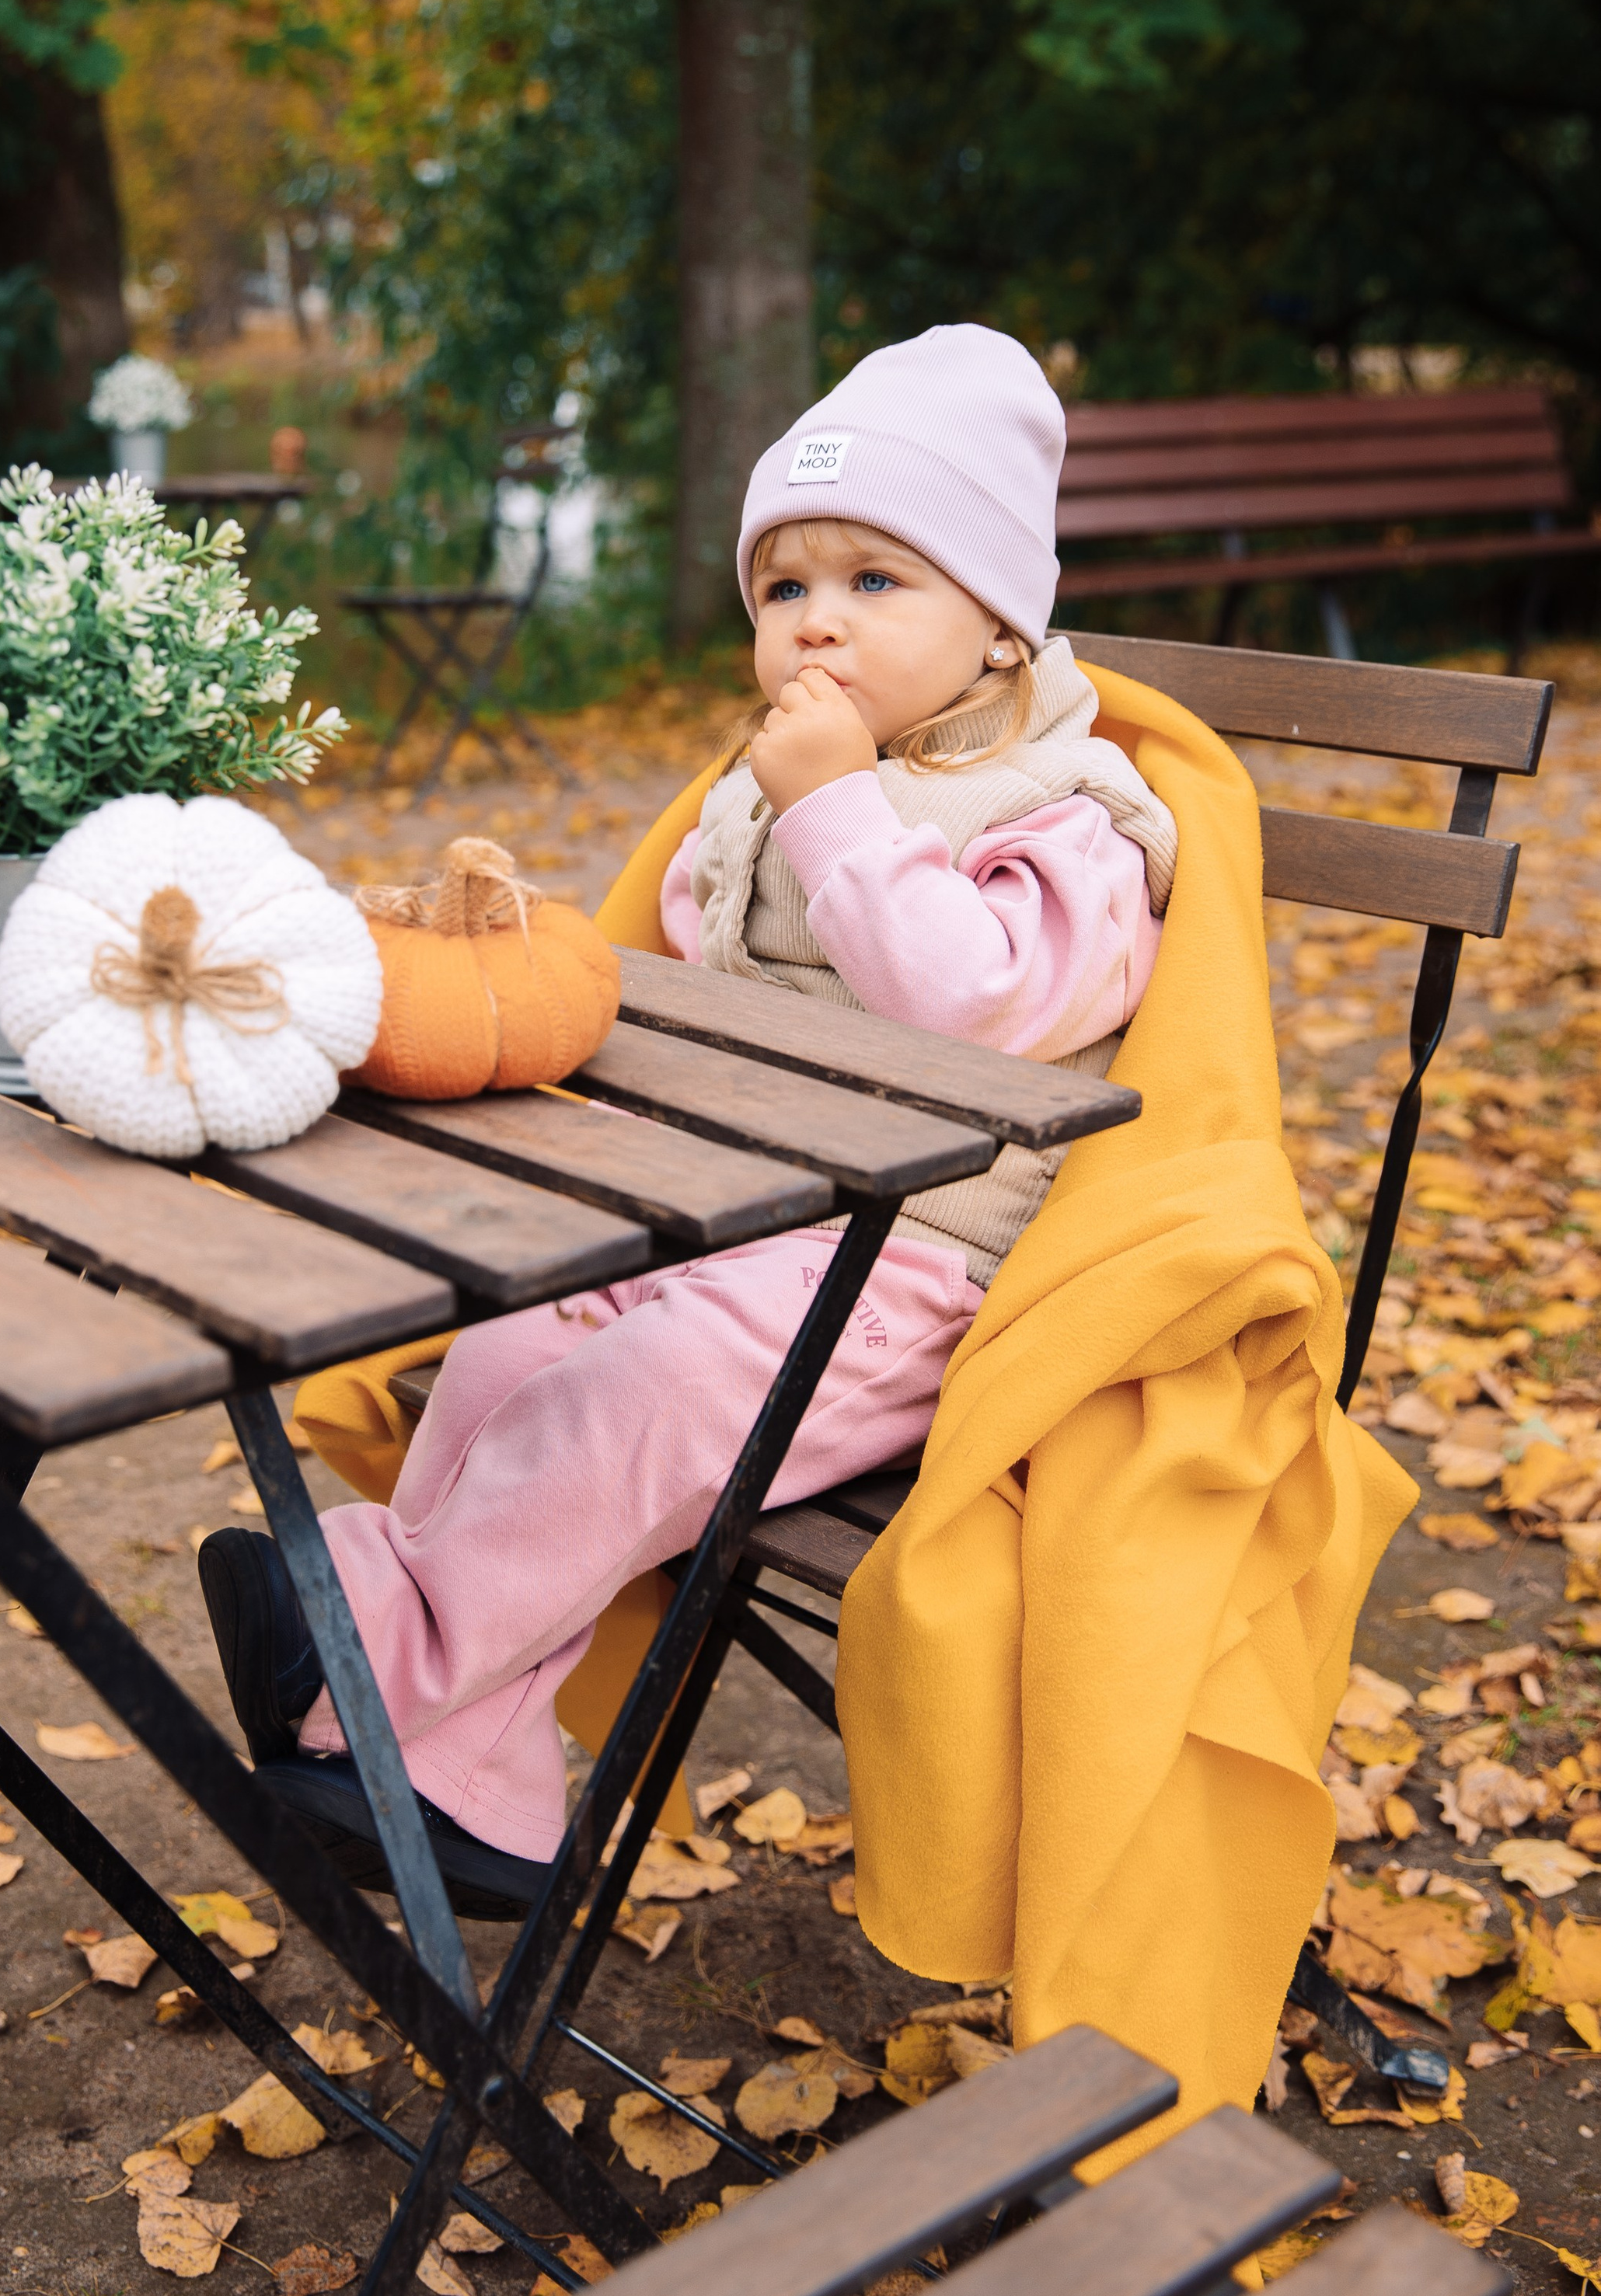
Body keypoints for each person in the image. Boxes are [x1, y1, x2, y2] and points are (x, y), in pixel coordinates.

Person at [198, 324, 1180, 1911]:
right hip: (740, 1217)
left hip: (911, 1277)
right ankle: (475, 1789)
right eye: (782, 588)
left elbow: (973, 1005)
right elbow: (693, 955)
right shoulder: (784, 788)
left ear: (1000, 631)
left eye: (874, 584)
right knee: (516, 1351)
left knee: (633, 1395)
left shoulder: (1071, 827)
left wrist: (832, 805)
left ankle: (358, 1645)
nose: (814, 627)